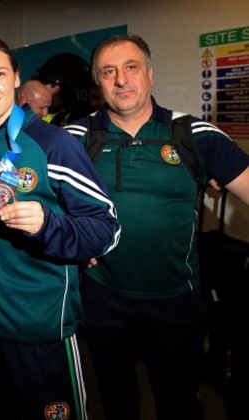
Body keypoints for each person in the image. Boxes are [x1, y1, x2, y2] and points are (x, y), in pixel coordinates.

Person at [64, 34, 249, 420]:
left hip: (176, 299)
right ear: (98, 83)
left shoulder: (194, 136)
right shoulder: (74, 140)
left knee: (179, 399)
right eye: (108, 72)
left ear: (150, 74)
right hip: (103, 298)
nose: (121, 80)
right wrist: (71, 241)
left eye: (131, 67)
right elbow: (39, 204)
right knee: (116, 398)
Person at [0, 35, 120, 419]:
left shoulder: (53, 144)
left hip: (39, 329)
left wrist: (49, 226)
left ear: (15, 78)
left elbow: (106, 229)